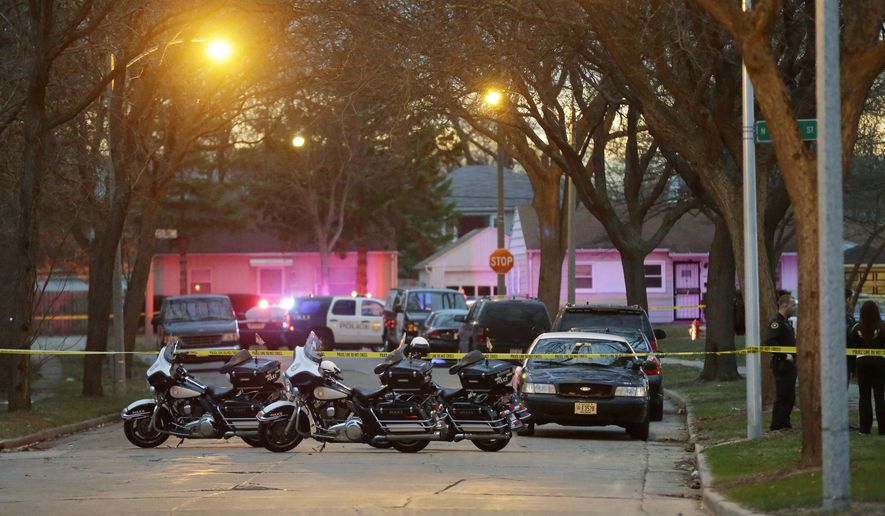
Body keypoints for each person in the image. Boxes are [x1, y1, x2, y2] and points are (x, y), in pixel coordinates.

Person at [848, 301, 885, 435]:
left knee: (864, 397)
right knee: (880, 397)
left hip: (862, 363)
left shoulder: (856, 328)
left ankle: (864, 429)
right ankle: (882, 429)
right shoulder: (883, 327)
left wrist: (851, 369)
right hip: (880, 363)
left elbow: (851, 349)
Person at [767, 294, 797, 431]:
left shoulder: (786, 322)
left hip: (790, 365)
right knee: (782, 395)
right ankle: (777, 424)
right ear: (784, 305)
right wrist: (785, 355)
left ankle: (785, 422)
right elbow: (771, 343)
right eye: (792, 305)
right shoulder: (777, 323)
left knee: (789, 396)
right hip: (782, 364)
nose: (794, 308)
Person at [846, 288, 857, 384]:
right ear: (847, 299)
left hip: (849, 359)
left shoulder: (849, 316)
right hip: (843, 361)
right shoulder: (841, 315)